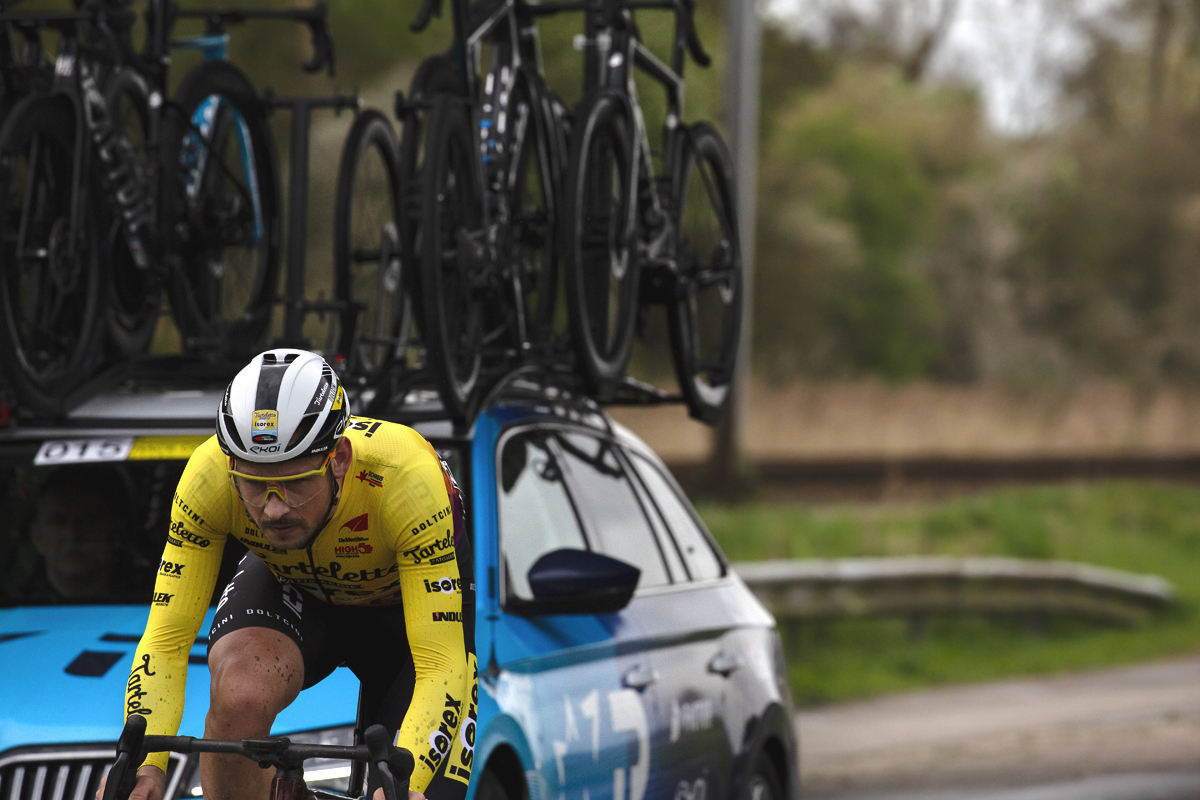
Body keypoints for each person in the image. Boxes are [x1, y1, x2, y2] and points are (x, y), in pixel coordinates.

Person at [105, 349, 476, 800]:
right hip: (294, 585)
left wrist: (407, 783)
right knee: (238, 695)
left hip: (405, 617)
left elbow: (441, 665)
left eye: (296, 482)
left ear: (339, 458)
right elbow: (167, 639)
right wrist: (145, 764)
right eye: (255, 485)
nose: (274, 508)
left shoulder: (406, 482)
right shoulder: (208, 480)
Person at [29, 465, 132, 601]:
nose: (73, 534)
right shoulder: (11, 613)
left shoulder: (156, 605)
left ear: (115, 532)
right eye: (59, 522)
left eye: (89, 520)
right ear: (37, 537)